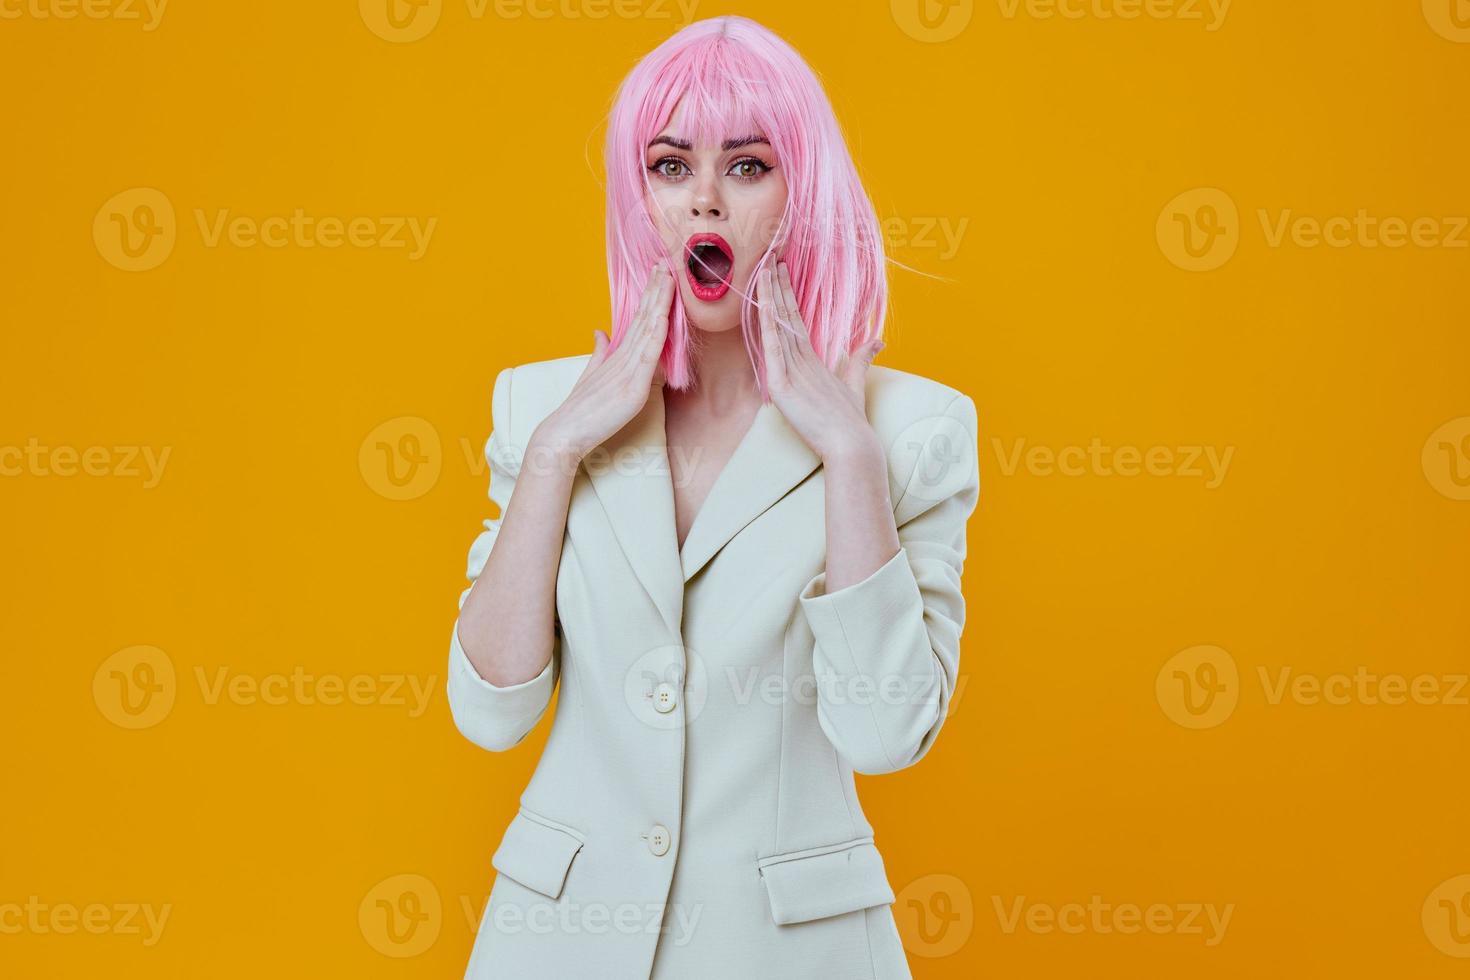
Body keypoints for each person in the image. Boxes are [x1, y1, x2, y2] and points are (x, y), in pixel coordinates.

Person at [447, 15, 980, 980]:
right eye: (666, 166)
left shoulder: (910, 432)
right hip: (556, 950)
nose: (704, 204)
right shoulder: (540, 409)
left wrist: (848, 455)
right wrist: (561, 448)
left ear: (800, 194)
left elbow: (885, 731)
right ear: (633, 197)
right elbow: (489, 713)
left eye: (745, 166)